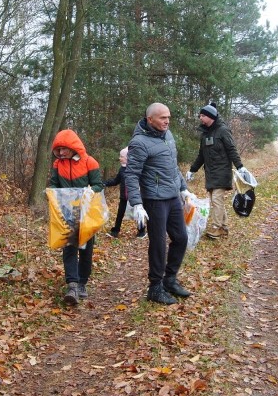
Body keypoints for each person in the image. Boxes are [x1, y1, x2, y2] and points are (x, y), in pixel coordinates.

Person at [125, 103, 196, 305]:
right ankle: (155, 287)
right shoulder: (139, 142)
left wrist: (183, 188)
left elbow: (173, 167)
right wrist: (137, 204)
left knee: (181, 238)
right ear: (150, 120)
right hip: (154, 200)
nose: (167, 121)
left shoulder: (168, 135)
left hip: (173, 197)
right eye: (162, 118)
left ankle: (170, 279)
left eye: (168, 118)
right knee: (157, 244)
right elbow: (131, 174)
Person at [48, 129, 104, 306]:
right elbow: (54, 183)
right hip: (66, 211)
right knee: (69, 247)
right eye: (59, 149)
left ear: (73, 147)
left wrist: (90, 191)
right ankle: (72, 285)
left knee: (86, 249)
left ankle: (82, 283)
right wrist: (52, 193)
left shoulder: (90, 162)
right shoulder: (58, 164)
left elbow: (98, 185)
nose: (61, 152)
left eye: (64, 148)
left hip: (87, 211)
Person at [185, 103, 243, 239]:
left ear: (211, 116)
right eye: (200, 115)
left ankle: (216, 227)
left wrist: (240, 166)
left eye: (203, 115)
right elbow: (201, 155)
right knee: (215, 200)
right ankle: (224, 227)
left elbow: (232, 150)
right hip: (210, 173)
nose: (200, 118)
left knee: (217, 199)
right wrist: (192, 170)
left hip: (222, 171)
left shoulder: (223, 130)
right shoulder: (205, 134)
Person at [104, 147, 144, 239]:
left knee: (138, 213)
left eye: (122, 156)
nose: (120, 158)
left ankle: (141, 231)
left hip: (135, 196)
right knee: (120, 214)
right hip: (124, 197)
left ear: (128, 157)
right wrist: (105, 183)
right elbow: (116, 181)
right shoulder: (122, 169)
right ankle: (115, 231)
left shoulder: (136, 168)